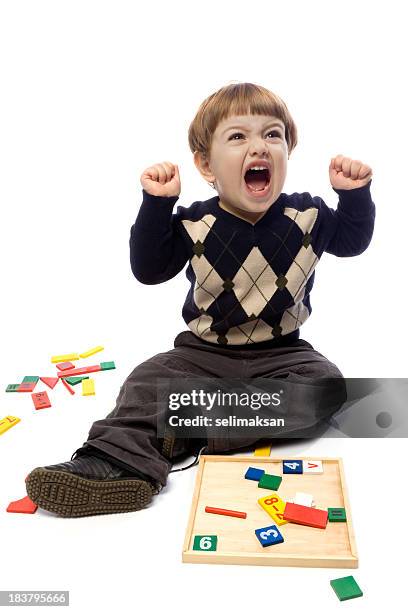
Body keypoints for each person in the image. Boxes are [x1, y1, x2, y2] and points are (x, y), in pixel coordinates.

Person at [25, 82, 375, 518]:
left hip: (283, 357)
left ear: (288, 152)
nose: (259, 147)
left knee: (326, 389)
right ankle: (111, 463)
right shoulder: (194, 222)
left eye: (272, 135)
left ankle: (186, 430)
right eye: (237, 137)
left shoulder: (309, 215)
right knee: (145, 380)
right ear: (206, 164)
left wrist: (354, 195)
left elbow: (352, 241)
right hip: (200, 357)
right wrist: (157, 206)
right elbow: (149, 270)